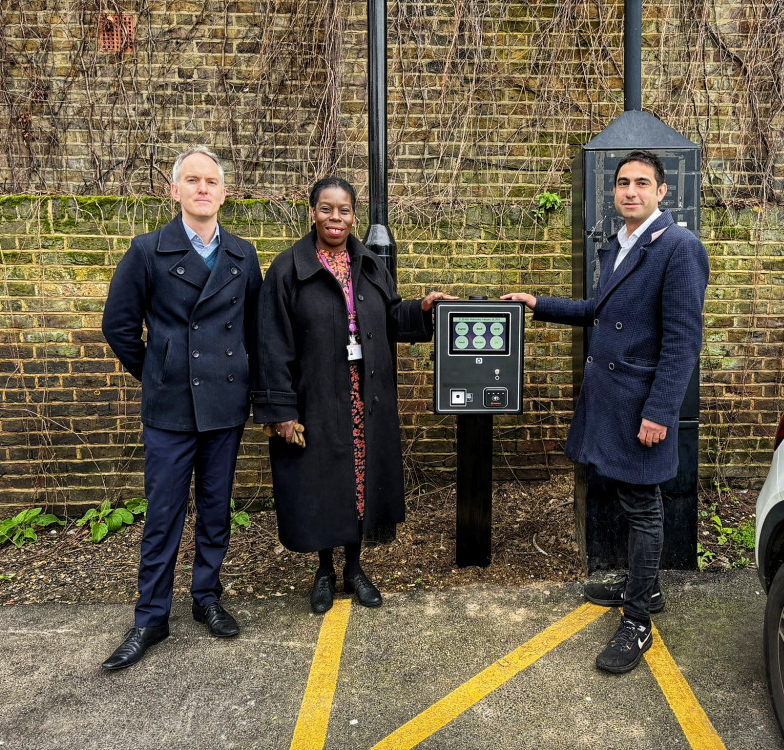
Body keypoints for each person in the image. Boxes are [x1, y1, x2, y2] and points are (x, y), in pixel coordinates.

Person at [502, 149, 709, 674]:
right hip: (612, 401)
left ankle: (639, 618)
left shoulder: (679, 248)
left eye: (642, 183)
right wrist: (537, 303)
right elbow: (599, 310)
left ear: (663, 192)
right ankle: (646, 586)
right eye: (622, 183)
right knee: (626, 498)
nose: (630, 191)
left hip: (641, 405)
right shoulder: (618, 246)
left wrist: (660, 412)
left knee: (643, 508)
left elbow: (683, 342)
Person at [251, 177, 454, 614]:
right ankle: (324, 571)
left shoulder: (369, 264)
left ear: (354, 216)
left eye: (344, 211)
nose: (335, 219)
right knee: (322, 485)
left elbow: (388, 317)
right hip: (318, 400)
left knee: (360, 486)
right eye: (326, 209)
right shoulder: (288, 269)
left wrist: (420, 309)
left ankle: (355, 568)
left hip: (366, 398)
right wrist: (281, 410)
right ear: (312, 213)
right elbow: (271, 344)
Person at [100, 146, 263, 670]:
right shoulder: (148, 250)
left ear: (223, 191)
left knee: (216, 509)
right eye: (191, 180)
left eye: (211, 181)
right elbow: (119, 327)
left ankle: (207, 598)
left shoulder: (243, 254)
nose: (202, 189)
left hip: (225, 403)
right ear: (175, 191)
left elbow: (256, 332)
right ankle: (151, 617)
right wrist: (160, 369)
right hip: (170, 407)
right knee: (164, 513)